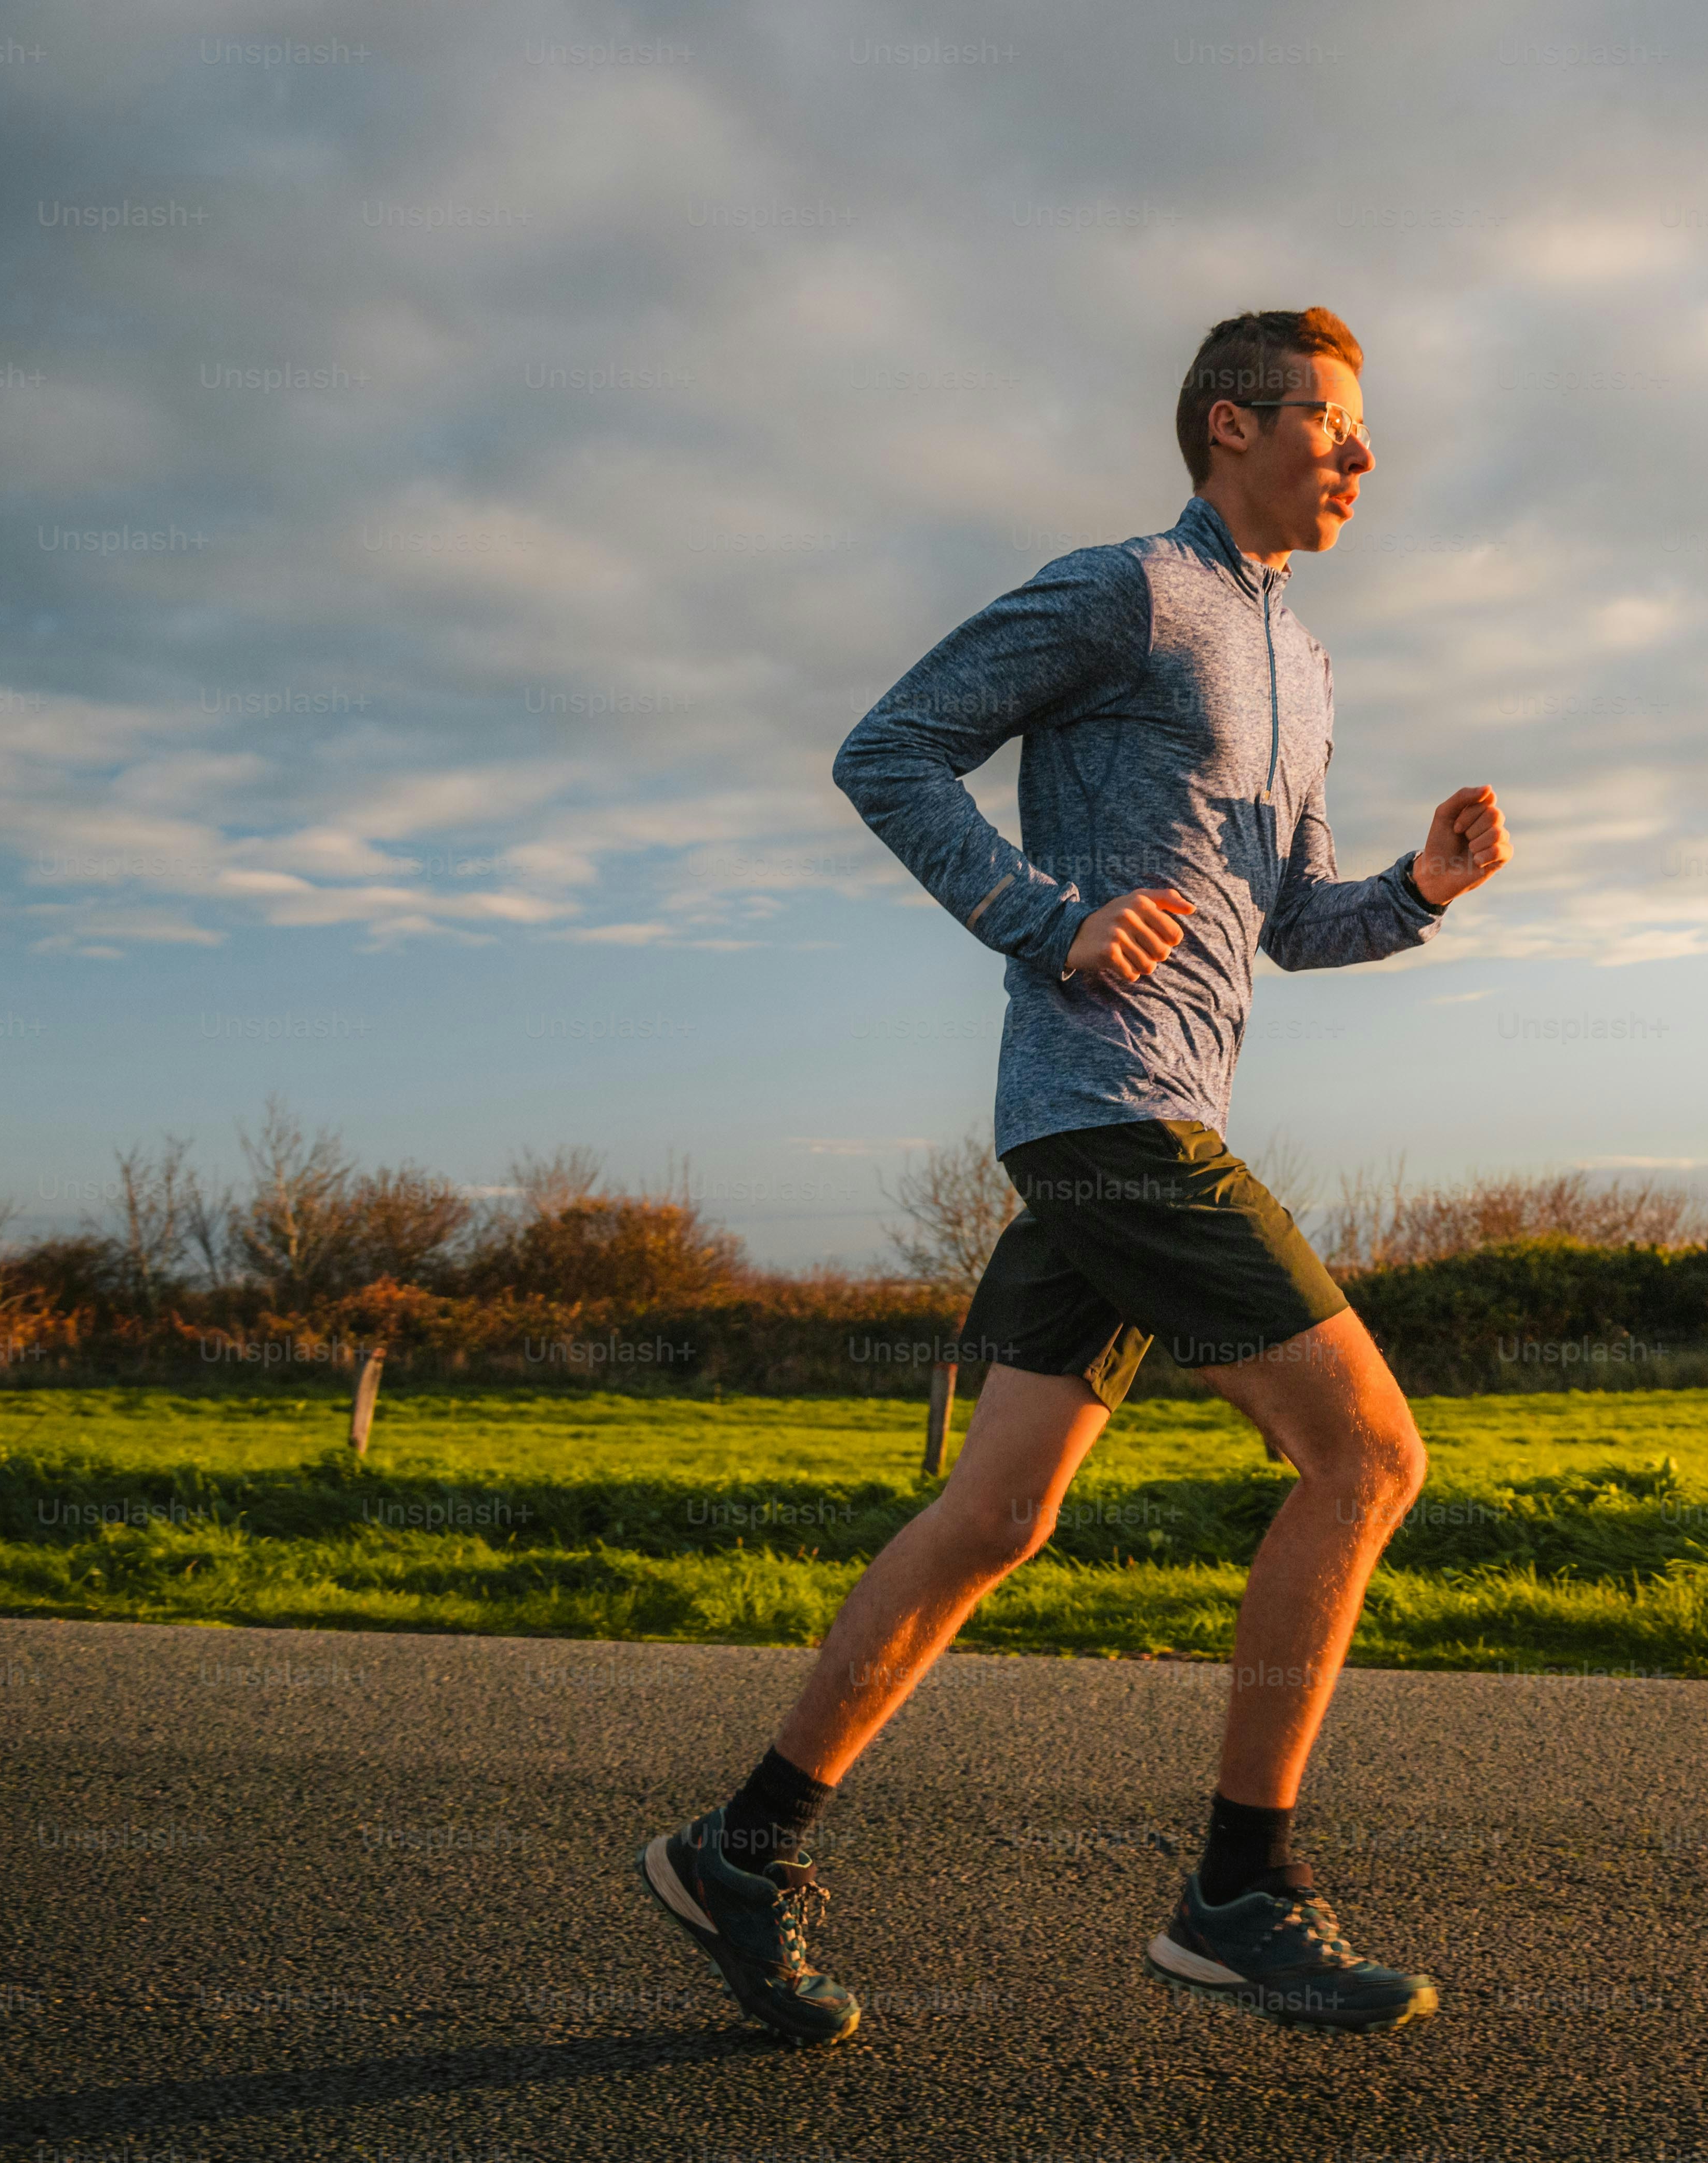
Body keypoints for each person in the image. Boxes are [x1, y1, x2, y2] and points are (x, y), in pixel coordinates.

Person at [638, 306, 1510, 2042]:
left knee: (1000, 1512)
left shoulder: (1309, 672)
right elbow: (886, 750)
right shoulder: (1126, 591)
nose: (1358, 455)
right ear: (1226, 426)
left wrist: (1419, 889)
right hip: (1107, 1113)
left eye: (1363, 431)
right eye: (1328, 422)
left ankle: (744, 1847)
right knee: (1370, 1454)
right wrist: (1049, 921)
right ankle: (1239, 1896)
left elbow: (1287, 924)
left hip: (1157, 1119)